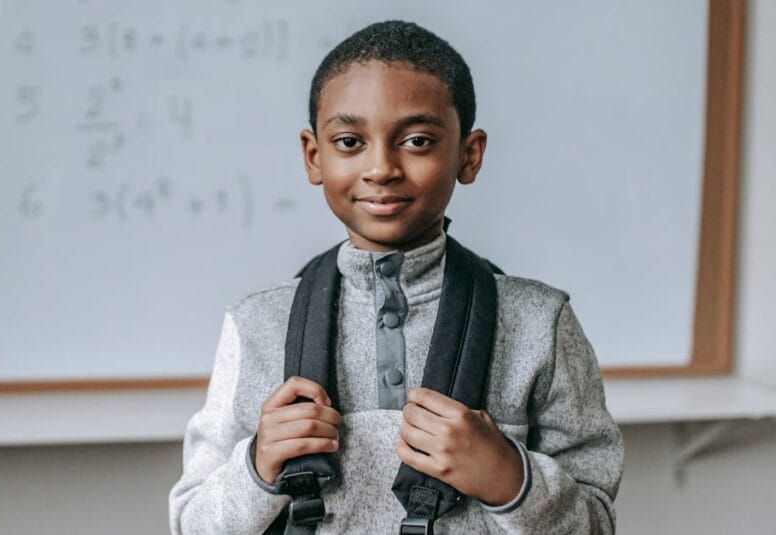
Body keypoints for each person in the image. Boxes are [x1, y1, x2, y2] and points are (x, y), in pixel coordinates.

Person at [169, 20, 623, 534]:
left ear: (468, 156)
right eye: (349, 141)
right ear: (314, 156)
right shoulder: (258, 323)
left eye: (417, 140)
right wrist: (256, 468)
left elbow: (596, 524)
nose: (381, 167)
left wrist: (509, 477)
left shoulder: (541, 323)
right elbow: (192, 524)